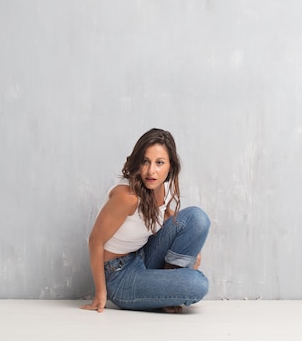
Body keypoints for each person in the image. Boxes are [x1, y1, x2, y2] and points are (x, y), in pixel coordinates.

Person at [81, 128, 210, 313]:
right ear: (137, 162)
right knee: (199, 284)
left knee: (198, 218)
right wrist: (100, 294)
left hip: (142, 255)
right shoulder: (127, 197)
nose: (151, 171)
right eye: (145, 161)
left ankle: (166, 288)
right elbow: (95, 241)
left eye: (159, 163)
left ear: (170, 166)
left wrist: (190, 246)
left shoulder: (162, 187)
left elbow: (164, 215)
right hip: (119, 276)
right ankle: (168, 288)